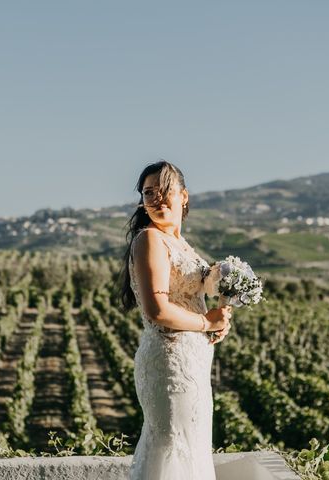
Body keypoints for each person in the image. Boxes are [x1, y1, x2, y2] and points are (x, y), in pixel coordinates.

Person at [119, 160, 232, 479]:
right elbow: (158, 311)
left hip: (193, 362)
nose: (155, 198)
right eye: (148, 192)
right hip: (169, 363)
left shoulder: (179, 243)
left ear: (184, 196)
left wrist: (220, 318)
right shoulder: (149, 239)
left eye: (164, 189)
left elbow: (193, 300)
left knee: (191, 447)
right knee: (171, 447)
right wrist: (207, 323)